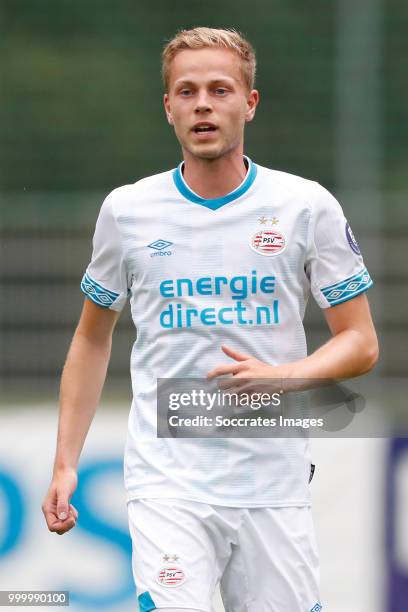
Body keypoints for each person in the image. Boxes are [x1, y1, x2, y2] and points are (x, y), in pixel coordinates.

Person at [42, 27, 378, 612]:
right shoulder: (127, 211)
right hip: (167, 483)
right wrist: (65, 462)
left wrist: (284, 375)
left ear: (249, 103)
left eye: (220, 89)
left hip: (272, 483)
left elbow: (360, 341)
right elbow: (92, 340)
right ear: (168, 107)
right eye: (187, 90)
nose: (203, 103)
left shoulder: (306, 206)